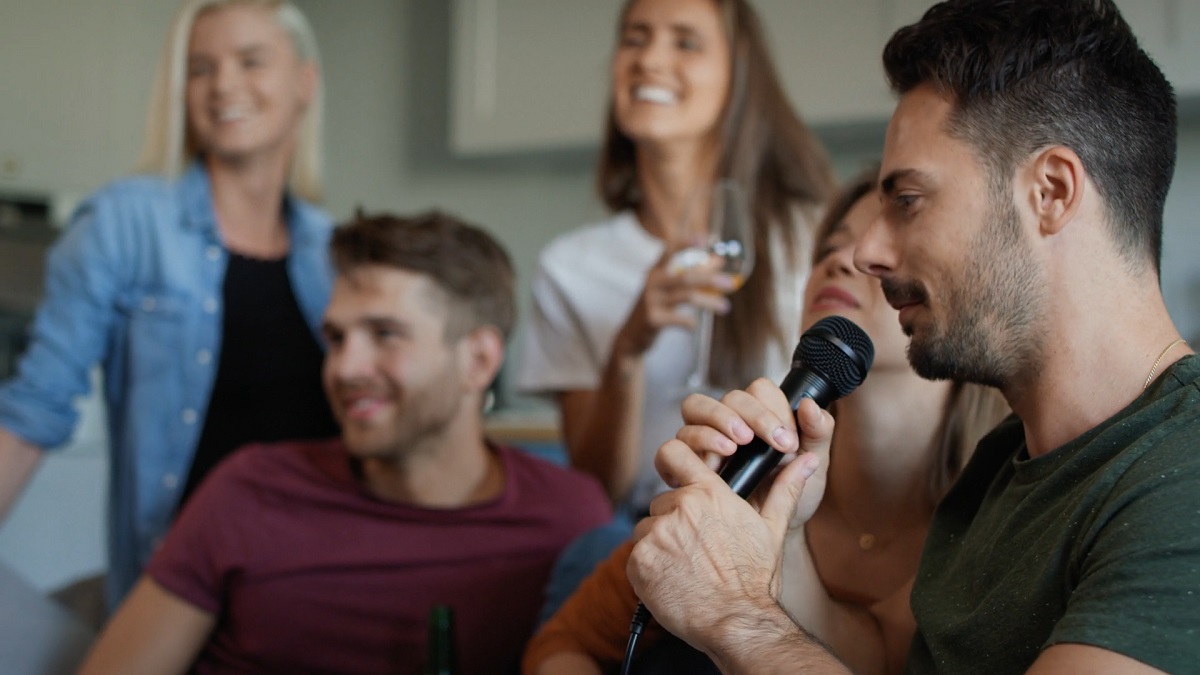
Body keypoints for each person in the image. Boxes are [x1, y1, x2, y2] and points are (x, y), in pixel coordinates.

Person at [625, 0, 1200, 672]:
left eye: (908, 200)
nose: (867, 249)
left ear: (1051, 191)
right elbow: (879, 656)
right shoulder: (1005, 462)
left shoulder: (1181, 475)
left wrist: (737, 617)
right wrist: (774, 535)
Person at [76, 211, 613, 675]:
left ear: (478, 361)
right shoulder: (248, 492)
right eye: (336, 338)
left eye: (385, 334)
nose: (344, 368)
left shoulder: (569, 518)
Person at [521, 168, 1010, 675]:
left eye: (887, 246)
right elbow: (563, 643)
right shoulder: (757, 462)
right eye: (830, 248)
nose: (841, 261)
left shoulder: (1000, 515)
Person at [0, 0, 338, 610]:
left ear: (304, 82)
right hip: (182, 595)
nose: (223, 86)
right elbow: (34, 410)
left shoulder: (334, 253)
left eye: (250, 61)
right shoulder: (124, 223)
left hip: (319, 585)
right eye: (200, 68)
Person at [516, 0, 835, 517]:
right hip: (646, 526)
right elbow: (599, 489)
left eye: (685, 42)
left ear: (739, 74)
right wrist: (628, 346)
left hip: (784, 526)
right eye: (635, 38)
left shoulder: (814, 237)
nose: (650, 60)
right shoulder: (569, 266)